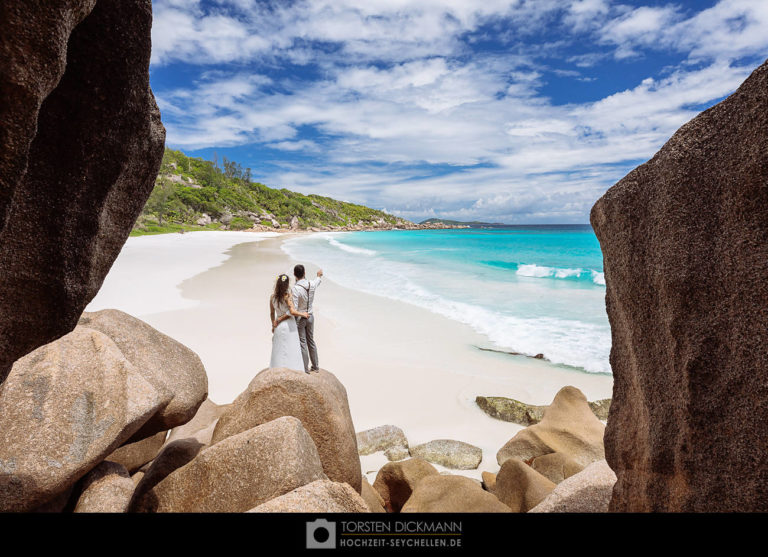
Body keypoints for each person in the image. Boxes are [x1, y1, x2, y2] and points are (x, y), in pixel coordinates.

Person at [269, 273, 309, 372]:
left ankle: (277, 370)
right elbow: (292, 312)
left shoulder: (272, 297)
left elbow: (271, 313)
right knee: (292, 348)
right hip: (288, 325)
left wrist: (274, 325)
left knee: (278, 350)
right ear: (286, 284)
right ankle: (293, 370)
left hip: (278, 326)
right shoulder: (287, 296)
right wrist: (303, 314)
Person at [292, 264, 323, 373]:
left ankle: (305, 368)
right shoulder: (311, 284)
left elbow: (295, 308)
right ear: (304, 273)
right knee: (311, 341)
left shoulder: (295, 289)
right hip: (310, 316)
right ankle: (315, 366)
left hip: (301, 318)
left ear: (294, 275)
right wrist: (319, 275)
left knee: (302, 342)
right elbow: (317, 281)